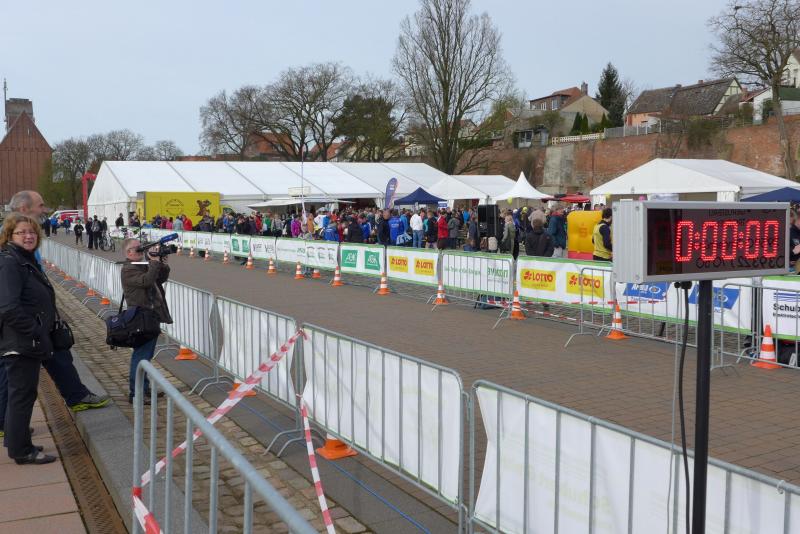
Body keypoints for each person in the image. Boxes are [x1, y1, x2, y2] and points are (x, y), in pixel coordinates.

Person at [5, 192, 110, 413]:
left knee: (58, 352)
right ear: (24, 209)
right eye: (40, 205)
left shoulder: (25, 234)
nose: (44, 210)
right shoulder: (11, 240)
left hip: (38, 313)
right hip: (24, 319)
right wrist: (33, 325)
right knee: (14, 375)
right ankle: (7, 422)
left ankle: (76, 395)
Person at [0, 214, 57, 464]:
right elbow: (8, 307)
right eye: (21, 232)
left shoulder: (23, 259)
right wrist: (35, 330)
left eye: (32, 232)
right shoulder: (11, 262)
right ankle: (22, 451)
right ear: (9, 236)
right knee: (21, 396)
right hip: (20, 342)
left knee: (23, 395)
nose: (28, 236)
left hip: (25, 340)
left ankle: (18, 441)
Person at [120, 238, 173, 403]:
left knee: (146, 356)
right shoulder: (128, 269)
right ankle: (136, 394)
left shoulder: (141, 265)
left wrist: (162, 264)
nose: (141, 249)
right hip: (141, 318)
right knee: (141, 356)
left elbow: (159, 279)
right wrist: (154, 262)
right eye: (138, 248)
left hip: (150, 315)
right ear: (129, 252)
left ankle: (144, 388)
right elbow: (146, 281)